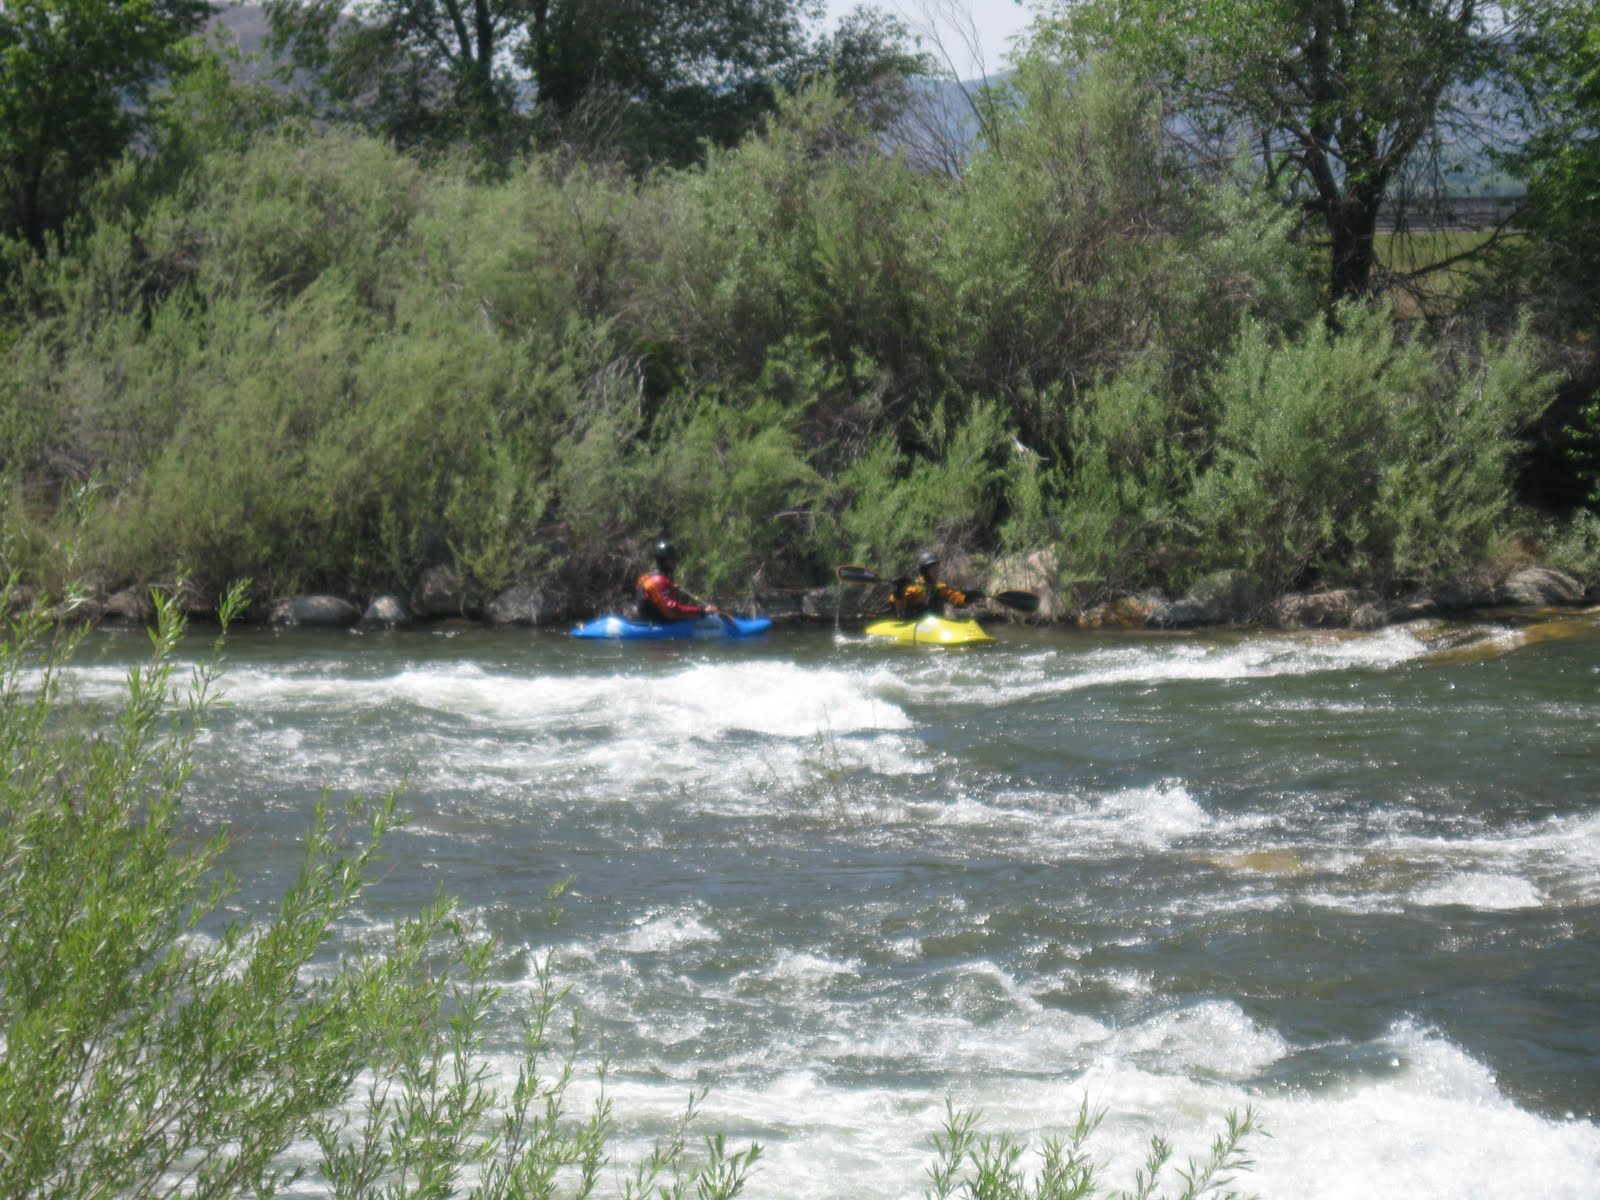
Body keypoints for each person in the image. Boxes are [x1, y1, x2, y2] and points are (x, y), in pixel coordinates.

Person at [635, 538, 718, 623]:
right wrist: (702, 612)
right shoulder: (659, 581)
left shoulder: (647, 577)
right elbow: (672, 611)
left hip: (651, 621)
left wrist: (671, 588)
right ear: (664, 561)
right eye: (672, 559)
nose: (675, 562)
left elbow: (654, 596)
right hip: (656, 625)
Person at [888, 550, 969, 617]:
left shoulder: (939, 587)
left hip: (934, 627)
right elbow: (897, 605)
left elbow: (953, 595)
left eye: (937, 569)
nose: (937, 572)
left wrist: (966, 599)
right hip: (915, 626)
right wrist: (899, 592)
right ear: (924, 572)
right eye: (933, 570)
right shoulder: (915, 588)